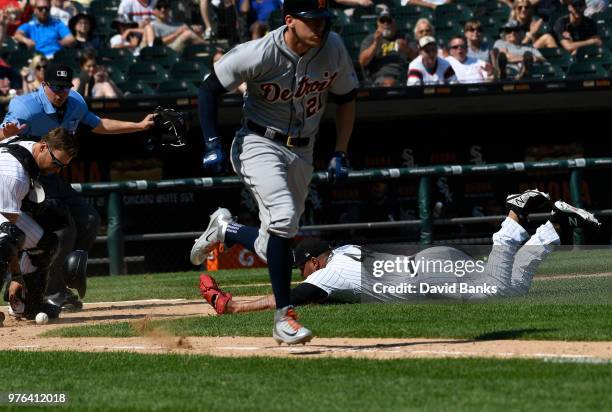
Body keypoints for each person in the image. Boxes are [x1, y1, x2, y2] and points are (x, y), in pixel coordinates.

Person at [191, 0, 358, 345]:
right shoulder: (257, 52)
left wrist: (341, 150)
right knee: (283, 217)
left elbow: (347, 98)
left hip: (304, 149)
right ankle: (284, 318)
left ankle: (227, 228)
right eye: (311, 21)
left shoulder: (334, 47)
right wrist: (211, 142)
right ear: (289, 20)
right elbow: (209, 88)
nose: (319, 28)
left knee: (277, 240)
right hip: (257, 142)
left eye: (323, 20)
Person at [198, 190, 601, 314]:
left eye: (305, 266)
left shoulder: (328, 272)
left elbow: (287, 298)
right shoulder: (344, 252)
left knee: (500, 288)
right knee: (512, 287)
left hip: (427, 276)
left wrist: (233, 306)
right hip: (432, 263)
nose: (303, 272)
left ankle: (514, 213)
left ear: (317, 260)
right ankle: (556, 225)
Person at [0, 63, 155, 309]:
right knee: (62, 230)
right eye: (55, 88)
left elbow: (99, 124)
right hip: (25, 175)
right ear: (44, 85)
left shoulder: (75, 102)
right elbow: (4, 139)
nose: (61, 93)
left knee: (90, 219)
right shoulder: (24, 107)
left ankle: (64, 276)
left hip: (53, 175)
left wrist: (138, 125)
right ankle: (47, 291)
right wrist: (2, 133)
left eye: (65, 87)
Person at [0, 127, 79, 320]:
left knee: (46, 244)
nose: (57, 169)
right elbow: (8, 230)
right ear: (43, 147)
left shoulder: (26, 145)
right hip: (3, 207)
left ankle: (29, 305)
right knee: (9, 239)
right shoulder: (14, 174)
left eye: (62, 166)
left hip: (3, 205)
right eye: (56, 162)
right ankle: (17, 285)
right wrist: (16, 276)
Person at [358, 8, 415, 87]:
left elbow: (418, 58)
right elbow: (362, 62)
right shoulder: (371, 39)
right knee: (389, 84)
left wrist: (407, 49)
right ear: (378, 23)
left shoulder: (405, 38)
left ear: (394, 22)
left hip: (404, 77)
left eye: (388, 21)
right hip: (379, 78)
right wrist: (375, 43)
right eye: (382, 21)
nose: (385, 24)